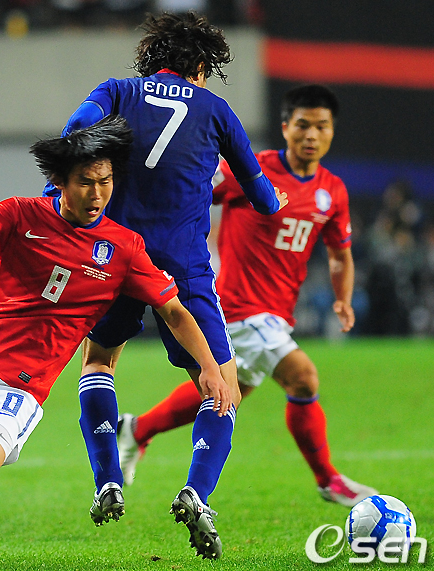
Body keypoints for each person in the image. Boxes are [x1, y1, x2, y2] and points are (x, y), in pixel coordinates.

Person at [0, 116, 233, 569]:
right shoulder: (23, 213)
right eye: (85, 183)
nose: (97, 194)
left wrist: (209, 366)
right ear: (59, 182)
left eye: (105, 182)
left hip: (17, 387)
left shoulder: (124, 248)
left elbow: (173, 311)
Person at [43, 10, 287, 560]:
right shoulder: (215, 109)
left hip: (112, 256)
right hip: (183, 266)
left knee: (99, 361)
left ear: (152, 59)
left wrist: (57, 189)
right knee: (220, 384)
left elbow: (76, 129)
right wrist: (277, 199)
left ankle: (108, 478)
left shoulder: (117, 91)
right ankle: (196, 493)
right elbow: (261, 195)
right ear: (201, 66)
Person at [117, 84, 378, 508]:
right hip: (237, 306)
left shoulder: (332, 190)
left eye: (322, 126)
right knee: (303, 377)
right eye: (303, 125)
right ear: (285, 127)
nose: (312, 135)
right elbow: (194, 189)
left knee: (223, 392)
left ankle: (137, 429)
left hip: (276, 313)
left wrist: (343, 298)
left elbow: (339, 253)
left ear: (332, 132)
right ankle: (328, 478)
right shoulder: (253, 170)